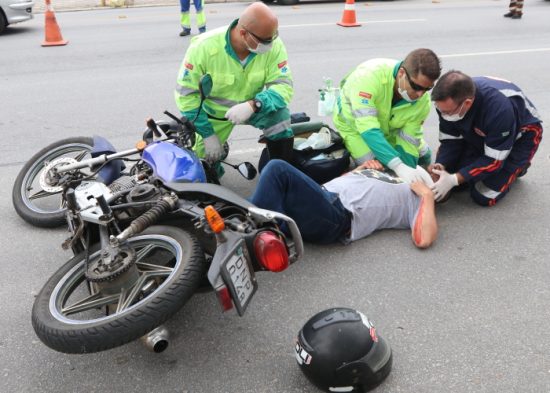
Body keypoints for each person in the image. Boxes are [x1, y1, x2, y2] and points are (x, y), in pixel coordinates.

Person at [175, 2, 294, 175]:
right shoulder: (204, 47)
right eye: (264, 41)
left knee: (280, 119)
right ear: (243, 33)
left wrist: (255, 104)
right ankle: (216, 156)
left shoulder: (273, 45)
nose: (269, 45)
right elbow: (186, 96)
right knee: (203, 169)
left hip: (253, 107)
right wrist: (208, 135)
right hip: (214, 115)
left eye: (272, 38)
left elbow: (283, 86)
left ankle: (279, 174)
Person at [250, 159, 438, 249]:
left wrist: (427, 196)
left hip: (337, 216)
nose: (435, 168)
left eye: (437, 172)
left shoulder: (417, 199)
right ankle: (246, 228)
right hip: (320, 200)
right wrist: (360, 169)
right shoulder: (394, 176)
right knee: (238, 206)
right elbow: (343, 182)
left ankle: (255, 232)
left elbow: (424, 240)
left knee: (277, 169)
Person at [428, 71, 543, 206]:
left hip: (521, 137)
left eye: (447, 112)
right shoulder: (446, 104)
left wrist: (454, 179)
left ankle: (518, 166)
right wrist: (441, 164)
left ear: (467, 103)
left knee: (483, 194)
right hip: (482, 133)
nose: (443, 114)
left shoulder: (499, 110)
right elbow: (450, 140)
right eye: (440, 110)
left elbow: (493, 160)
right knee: (456, 178)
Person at [332, 48, 441, 184]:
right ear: (401, 73)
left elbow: (409, 140)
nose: (420, 94)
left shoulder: (422, 101)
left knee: (424, 156)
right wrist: (397, 166)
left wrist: (409, 169)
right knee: (376, 170)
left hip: (389, 129)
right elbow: (368, 130)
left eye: (427, 89)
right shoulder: (368, 78)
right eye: (416, 86)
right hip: (357, 130)